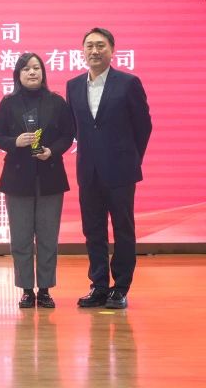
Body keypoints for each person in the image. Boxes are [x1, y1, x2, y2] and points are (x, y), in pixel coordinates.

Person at [66, 27, 152, 310]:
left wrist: (130, 158)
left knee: (123, 229)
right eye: (89, 45)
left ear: (112, 50)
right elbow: (76, 128)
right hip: (88, 171)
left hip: (121, 171)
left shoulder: (128, 83)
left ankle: (121, 287)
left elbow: (143, 126)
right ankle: (99, 285)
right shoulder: (73, 86)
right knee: (93, 230)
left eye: (100, 45)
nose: (94, 51)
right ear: (82, 51)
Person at [0, 52, 74, 309]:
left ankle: (46, 289)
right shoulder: (8, 103)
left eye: (36, 68)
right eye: (26, 68)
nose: (32, 72)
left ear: (43, 73)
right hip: (18, 178)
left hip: (50, 176)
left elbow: (68, 135)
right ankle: (27, 289)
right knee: (21, 237)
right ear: (18, 74)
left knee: (48, 236)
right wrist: (15, 142)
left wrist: (52, 151)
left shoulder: (56, 102)